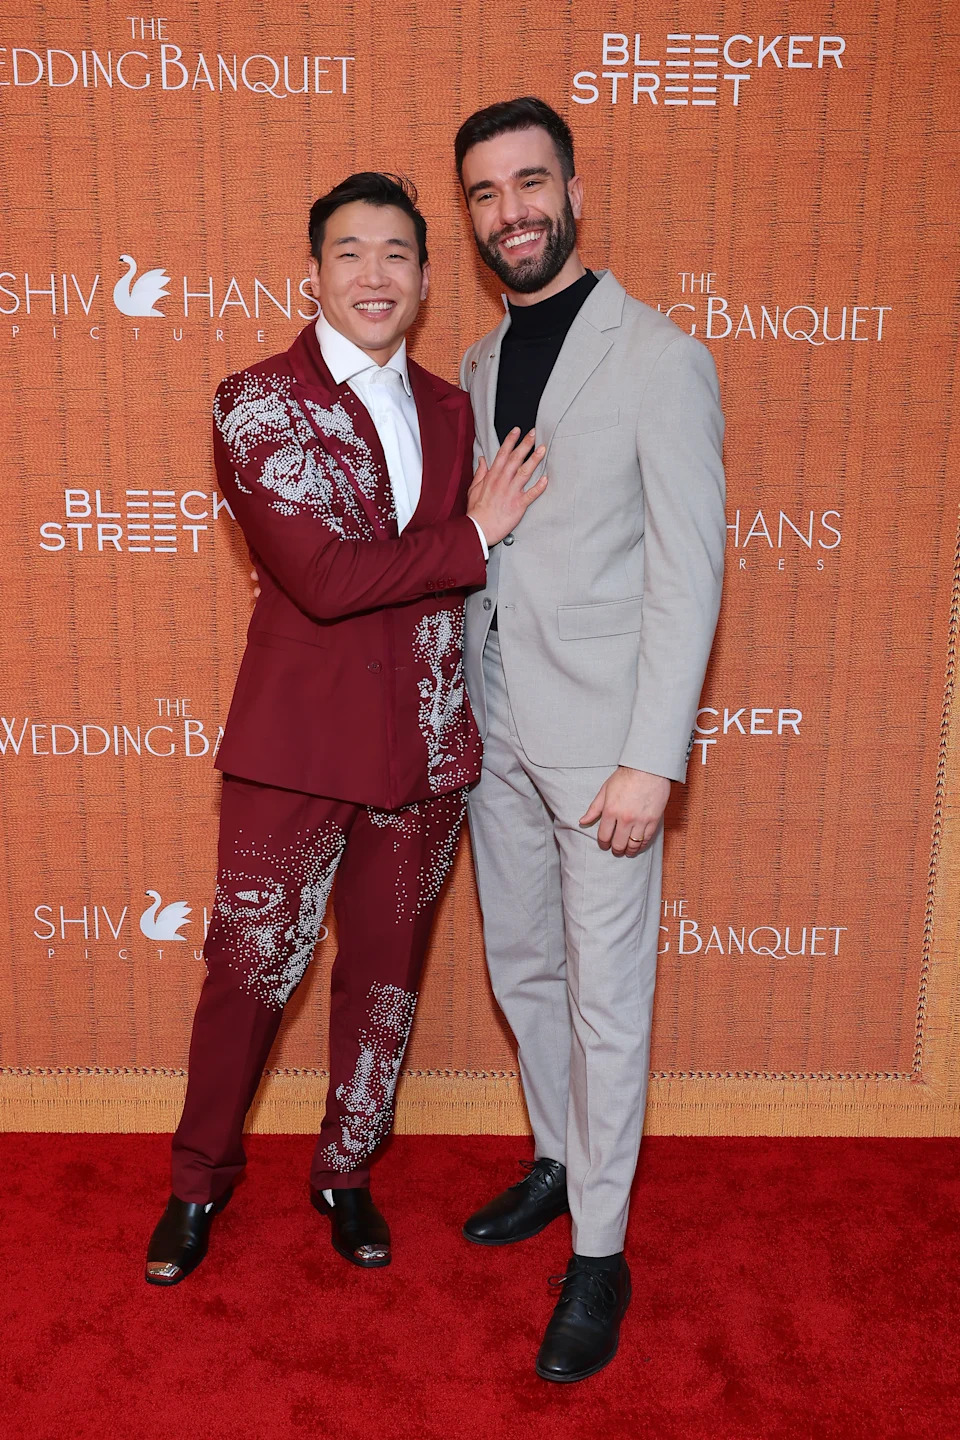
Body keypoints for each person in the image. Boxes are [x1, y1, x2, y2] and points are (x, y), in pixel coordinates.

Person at [145, 171, 545, 1285]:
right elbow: (321, 578)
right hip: (295, 745)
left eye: (399, 257)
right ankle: (196, 1182)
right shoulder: (254, 400)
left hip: (425, 749)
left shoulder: (454, 407)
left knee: (386, 978)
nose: (376, 275)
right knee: (248, 969)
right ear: (312, 274)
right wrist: (474, 536)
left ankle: (346, 1170)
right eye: (352, 254)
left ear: (425, 282)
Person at [455, 99, 726, 1381]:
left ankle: (602, 1254)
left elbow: (690, 572)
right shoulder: (471, 361)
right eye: (486, 193)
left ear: (573, 190)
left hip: (603, 745)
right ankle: (559, 1163)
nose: (511, 210)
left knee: (610, 1003)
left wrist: (653, 757)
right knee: (526, 974)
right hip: (496, 727)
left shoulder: (659, 356)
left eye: (529, 183)